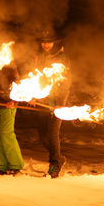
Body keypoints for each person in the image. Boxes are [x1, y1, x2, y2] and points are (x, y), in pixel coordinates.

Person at [31, 30, 70, 178]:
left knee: (53, 135)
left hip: (58, 101)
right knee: (43, 136)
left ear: (55, 42)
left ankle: (54, 164)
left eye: (49, 41)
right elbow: (35, 76)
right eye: (43, 41)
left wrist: (60, 103)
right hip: (43, 100)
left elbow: (66, 82)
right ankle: (58, 157)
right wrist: (33, 94)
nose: (45, 44)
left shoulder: (62, 58)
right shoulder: (39, 56)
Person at [0, 65, 24, 176]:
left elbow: (18, 85)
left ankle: (16, 165)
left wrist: (13, 101)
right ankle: (1, 165)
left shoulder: (10, 66)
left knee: (6, 134)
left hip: (8, 106)